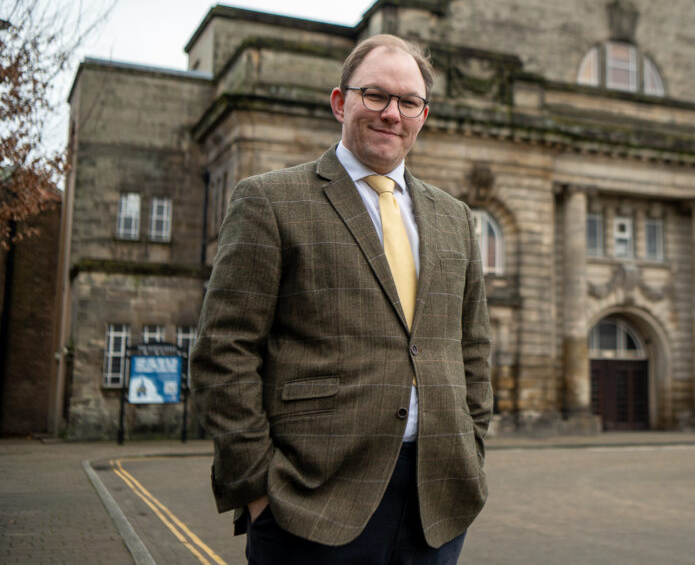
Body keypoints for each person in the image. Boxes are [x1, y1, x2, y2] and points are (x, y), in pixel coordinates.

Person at [191, 34, 492, 564]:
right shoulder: (269, 200)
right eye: (375, 95)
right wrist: (257, 488)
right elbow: (224, 350)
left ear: (423, 116)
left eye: (409, 102)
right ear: (340, 102)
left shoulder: (455, 218)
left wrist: (472, 447)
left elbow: (473, 348)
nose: (391, 113)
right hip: (310, 499)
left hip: (438, 498)